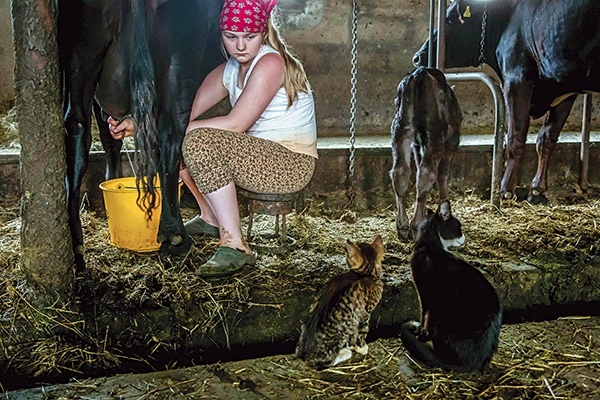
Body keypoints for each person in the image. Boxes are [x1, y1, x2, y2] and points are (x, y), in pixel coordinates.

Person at [109, 0, 317, 277]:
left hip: (290, 162)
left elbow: (235, 124)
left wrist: (171, 129)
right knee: (175, 141)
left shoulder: (270, 62)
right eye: (231, 37)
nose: (240, 46)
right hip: (258, 157)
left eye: (249, 37)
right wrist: (138, 124)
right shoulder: (228, 70)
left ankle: (235, 245)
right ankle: (211, 218)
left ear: (263, 33)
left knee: (197, 141)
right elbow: (182, 114)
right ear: (221, 35)